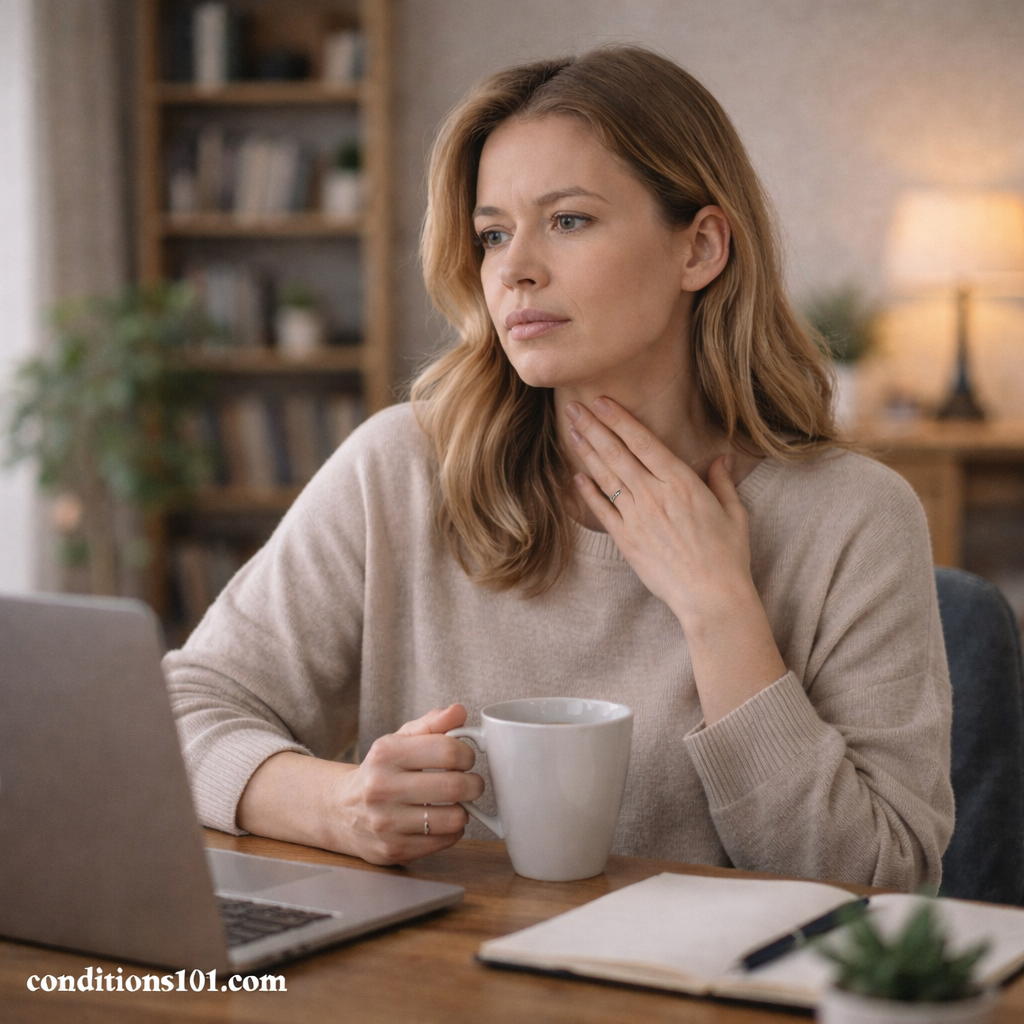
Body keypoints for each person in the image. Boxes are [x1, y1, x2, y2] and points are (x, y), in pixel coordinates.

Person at [164, 45, 954, 891]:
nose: (514, 267)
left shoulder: (856, 518)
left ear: (701, 249)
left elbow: (888, 880)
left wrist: (720, 608)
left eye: (568, 220)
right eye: (493, 232)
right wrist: (340, 803)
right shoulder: (401, 467)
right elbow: (179, 711)